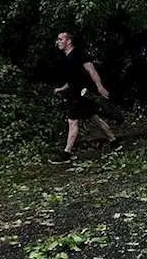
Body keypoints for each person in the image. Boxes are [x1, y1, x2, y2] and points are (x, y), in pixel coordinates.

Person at [49, 32, 119, 164]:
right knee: (94, 118)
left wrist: (99, 87)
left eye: (60, 39)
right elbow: (72, 79)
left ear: (68, 41)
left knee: (72, 121)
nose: (58, 42)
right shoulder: (66, 57)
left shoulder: (80, 55)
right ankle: (114, 141)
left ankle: (67, 152)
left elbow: (92, 71)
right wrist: (62, 88)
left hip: (82, 93)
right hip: (74, 93)